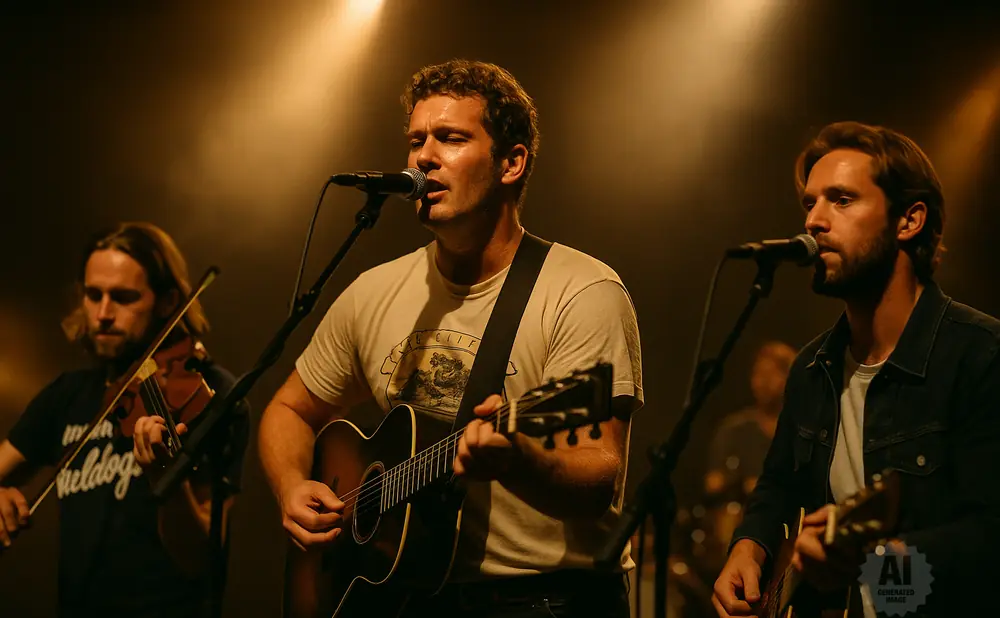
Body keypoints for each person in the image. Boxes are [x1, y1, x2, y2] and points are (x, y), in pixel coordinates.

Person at [259, 59, 644, 618]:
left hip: (546, 599)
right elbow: (289, 409)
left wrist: (519, 461)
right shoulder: (374, 291)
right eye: (416, 141)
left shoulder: (582, 291)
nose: (423, 157)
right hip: (407, 596)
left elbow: (599, 475)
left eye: (451, 138)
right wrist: (293, 487)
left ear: (512, 163)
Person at [712, 121, 999, 618]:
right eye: (810, 203)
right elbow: (777, 485)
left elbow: (989, 541)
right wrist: (749, 545)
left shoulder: (980, 356)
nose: (815, 221)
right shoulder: (812, 368)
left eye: (841, 200)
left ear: (908, 221)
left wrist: (875, 569)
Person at [0, 222, 248, 618]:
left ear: (168, 302)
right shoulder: (69, 394)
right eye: (92, 295)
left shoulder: (213, 395)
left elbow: (202, 557)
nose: (102, 314)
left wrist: (166, 478)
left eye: (123, 297)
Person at [704, 340, 797, 499]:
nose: (762, 382)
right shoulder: (734, 429)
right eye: (758, 374)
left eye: (771, 374)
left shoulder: (803, 429)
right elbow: (712, 483)